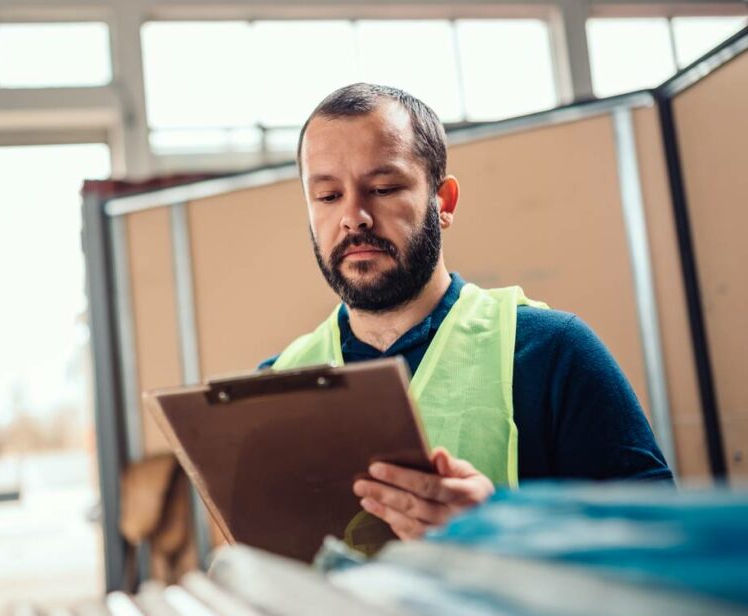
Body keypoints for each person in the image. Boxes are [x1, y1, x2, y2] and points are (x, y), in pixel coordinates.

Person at [259, 83, 673, 543]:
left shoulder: (550, 353)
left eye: (382, 188)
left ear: (444, 202)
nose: (354, 217)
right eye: (328, 196)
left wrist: (504, 526)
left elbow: (664, 545)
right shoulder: (276, 383)